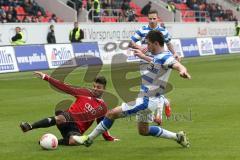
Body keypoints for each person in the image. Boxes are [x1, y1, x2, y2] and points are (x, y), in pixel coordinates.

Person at [73, 30, 191, 148]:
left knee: (111, 114)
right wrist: (143, 56)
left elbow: (176, 64)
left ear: (156, 43)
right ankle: (177, 137)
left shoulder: (166, 57)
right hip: (149, 100)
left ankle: (88, 139)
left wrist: (182, 70)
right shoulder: (159, 57)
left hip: (146, 101)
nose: (147, 46)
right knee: (143, 131)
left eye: (148, 44)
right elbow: (157, 63)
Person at [20, 72, 118, 145]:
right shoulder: (84, 92)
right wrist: (46, 77)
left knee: (72, 142)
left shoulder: (103, 107)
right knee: (60, 118)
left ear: (104, 89)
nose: (96, 89)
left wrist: (109, 138)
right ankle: (30, 126)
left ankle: (52, 142)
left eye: (99, 87)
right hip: (68, 118)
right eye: (94, 86)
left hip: (77, 129)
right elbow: (65, 87)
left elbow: (102, 125)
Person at [129, 9, 178, 125]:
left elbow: (169, 43)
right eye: (150, 18)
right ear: (147, 19)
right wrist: (139, 47)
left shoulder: (162, 31)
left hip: (157, 62)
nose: (152, 21)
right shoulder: (142, 30)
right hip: (143, 61)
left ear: (157, 18)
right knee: (148, 89)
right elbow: (131, 42)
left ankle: (158, 116)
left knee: (153, 88)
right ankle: (165, 102)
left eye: (154, 18)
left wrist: (175, 53)